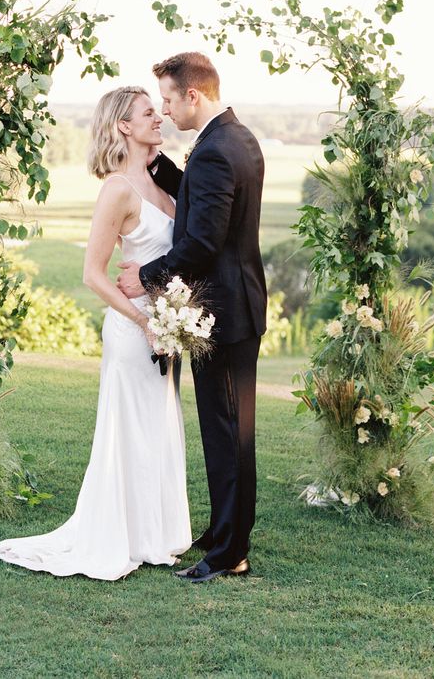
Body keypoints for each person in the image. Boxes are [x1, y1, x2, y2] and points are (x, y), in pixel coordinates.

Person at [0, 86, 191, 580]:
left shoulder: (162, 185)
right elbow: (93, 274)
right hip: (132, 330)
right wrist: (145, 321)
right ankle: (121, 537)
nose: (159, 117)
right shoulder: (117, 189)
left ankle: (154, 536)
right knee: (130, 431)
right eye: (148, 113)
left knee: (158, 427)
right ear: (124, 126)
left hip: (164, 326)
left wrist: (172, 316)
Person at [117, 52, 267, 583]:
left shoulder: (214, 151)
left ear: (193, 96)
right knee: (232, 432)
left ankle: (229, 554)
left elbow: (203, 239)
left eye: (168, 99)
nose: (165, 110)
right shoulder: (238, 139)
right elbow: (206, 205)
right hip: (242, 307)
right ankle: (226, 531)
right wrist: (159, 166)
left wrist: (147, 276)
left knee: (227, 436)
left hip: (221, 315)